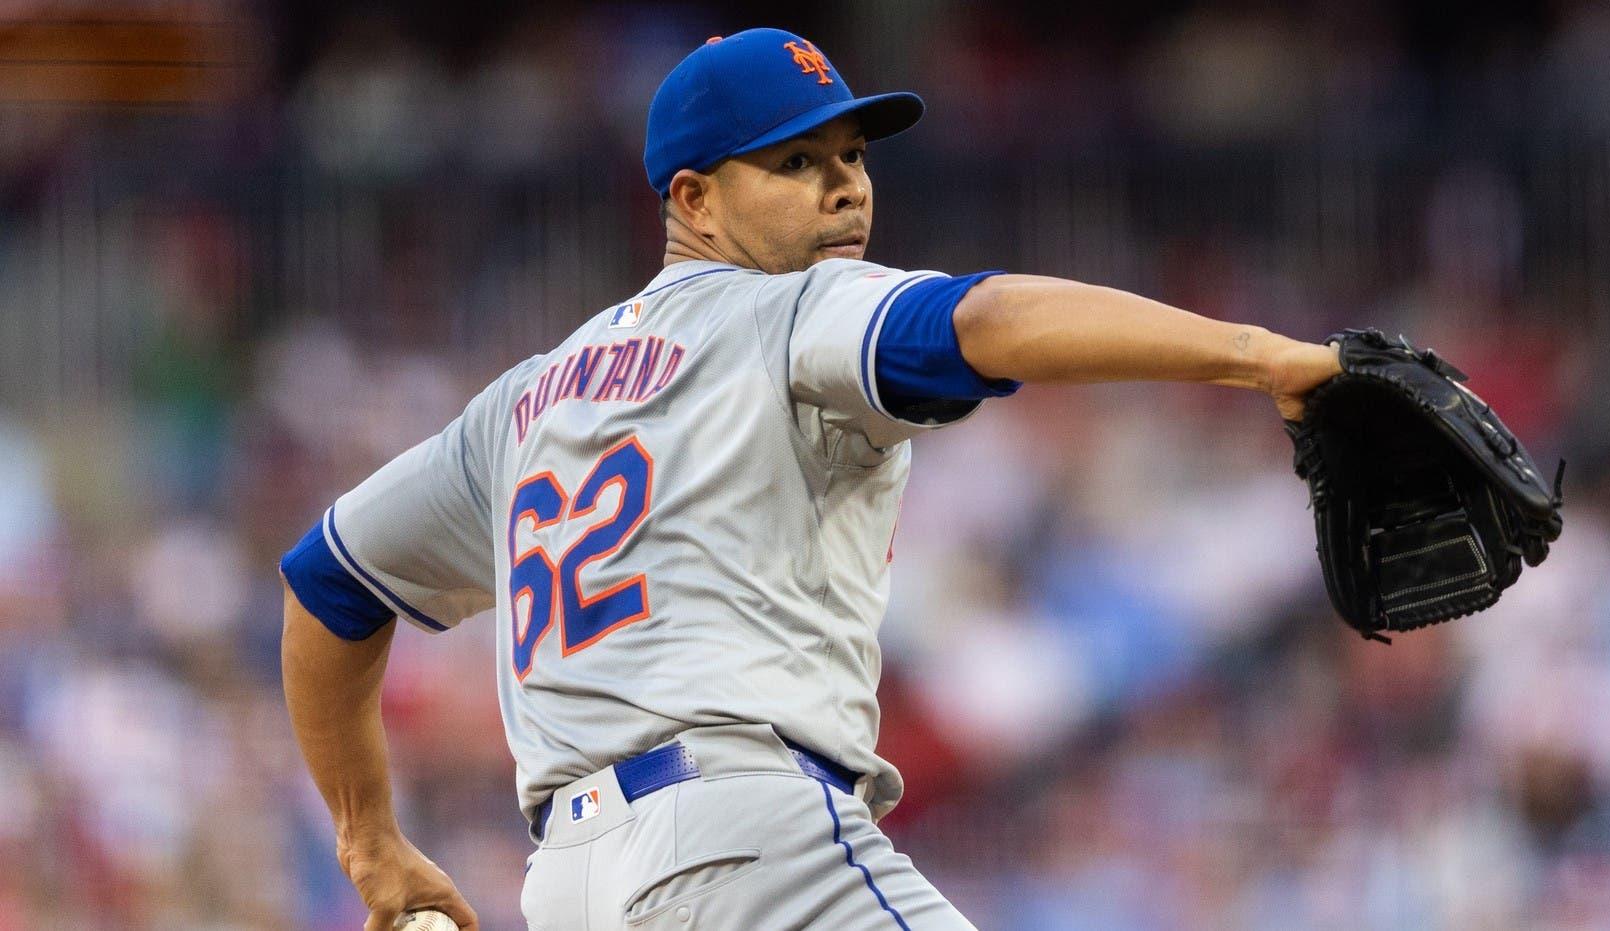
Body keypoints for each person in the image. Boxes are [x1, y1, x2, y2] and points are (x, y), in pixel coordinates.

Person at [278, 27, 1343, 931]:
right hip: (750, 845)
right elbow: (982, 321)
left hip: (570, 884)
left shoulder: (522, 406)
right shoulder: (789, 309)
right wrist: (1260, 355)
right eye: (793, 163)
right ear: (691, 198)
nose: (843, 183)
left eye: (850, 153)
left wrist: (370, 841)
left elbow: (328, 582)